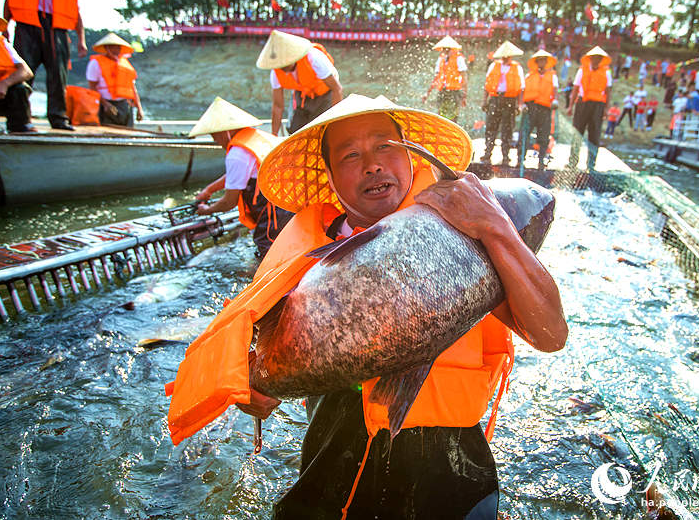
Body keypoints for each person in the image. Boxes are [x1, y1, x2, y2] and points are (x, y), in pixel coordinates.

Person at [169, 94, 567, 519]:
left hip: (450, 464)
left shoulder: (469, 228)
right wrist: (252, 387)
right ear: (331, 178)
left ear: (413, 156)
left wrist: (495, 226)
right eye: (350, 155)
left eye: (385, 147)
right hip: (334, 449)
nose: (373, 164)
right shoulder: (301, 253)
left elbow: (550, 335)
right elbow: (258, 344)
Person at [189, 97, 294, 259]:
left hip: (274, 213)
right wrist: (210, 189)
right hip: (290, 201)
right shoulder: (255, 138)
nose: (216, 141)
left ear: (225, 131)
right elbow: (239, 174)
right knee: (288, 250)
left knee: (267, 254)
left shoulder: (237, 154)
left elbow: (228, 202)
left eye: (215, 136)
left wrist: (207, 210)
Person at [3, 0, 87, 130]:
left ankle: (58, 118)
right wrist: (6, 28)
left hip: (57, 30)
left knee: (58, 76)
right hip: (26, 27)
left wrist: (81, 40)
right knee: (22, 74)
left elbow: (76, 14)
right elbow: (9, 2)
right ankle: (19, 120)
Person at [257, 30, 343, 135]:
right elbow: (278, 106)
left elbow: (337, 89)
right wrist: (273, 135)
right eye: (279, 65)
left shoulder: (314, 58)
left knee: (322, 131)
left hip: (325, 93)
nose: (282, 68)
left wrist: (335, 122)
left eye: (285, 64)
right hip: (302, 94)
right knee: (295, 130)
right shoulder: (275, 73)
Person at [567, 46, 612, 170]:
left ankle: (591, 165)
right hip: (582, 103)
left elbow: (608, 91)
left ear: (601, 60)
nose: (596, 60)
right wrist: (570, 106)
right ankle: (573, 162)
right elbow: (575, 89)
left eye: (598, 58)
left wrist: (607, 109)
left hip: (598, 105)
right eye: (594, 58)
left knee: (594, 134)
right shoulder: (582, 70)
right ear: (590, 59)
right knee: (577, 132)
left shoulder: (606, 73)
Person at [480, 40, 524, 165]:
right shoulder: (494, 66)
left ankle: (506, 156)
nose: (506, 58)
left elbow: (521, 88)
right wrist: (485, 101)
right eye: (504, 56)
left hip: (510, 100)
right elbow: (487, 85)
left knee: (507, 129)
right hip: (495, 99)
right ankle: (487, 153)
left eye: (508, 56)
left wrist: (519, 105)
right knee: (491, 127)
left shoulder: (517, 68)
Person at [86, 33, 143, 126]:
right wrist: (105, 104)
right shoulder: (95, 63)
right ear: (106, 48)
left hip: (125, 105)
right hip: (106, 105)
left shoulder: (125, 64)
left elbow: (132, 88)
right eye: (112, 47)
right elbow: (92, 87)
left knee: (128, 134)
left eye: (118, 48)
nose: (116, 50)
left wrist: (139, 108)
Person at [518, 49, 557, 170]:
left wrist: (555, 100)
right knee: (524, 133)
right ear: (536, 62)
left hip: (545, 108)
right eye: (539, 61)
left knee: (544, 135)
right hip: (530, 108)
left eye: (543, 61)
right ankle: (520, 160)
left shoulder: (552, 76)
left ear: (546, 62)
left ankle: (541, 161)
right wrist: (521, 104)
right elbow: (522, 91)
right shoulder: (529, 76)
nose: (541, 63)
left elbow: (555, 91)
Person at [0, 16, 35, 133]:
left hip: (1, 96)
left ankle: (20, 128)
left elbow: (26, 71)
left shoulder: (3, 43)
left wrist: (5, 83)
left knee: (21, 88)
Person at [422, 35, 468, 122]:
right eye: (444, 49)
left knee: (453, 117)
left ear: (452, 49)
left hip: (454, 91)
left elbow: (464, 77)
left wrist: (464, 95)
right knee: (441, 116)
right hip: (442, 91)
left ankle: (452, 134)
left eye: (447, 49)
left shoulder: (459, 58)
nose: (445, 51)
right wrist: (427, 93)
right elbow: (436, 78)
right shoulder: (441, 59)